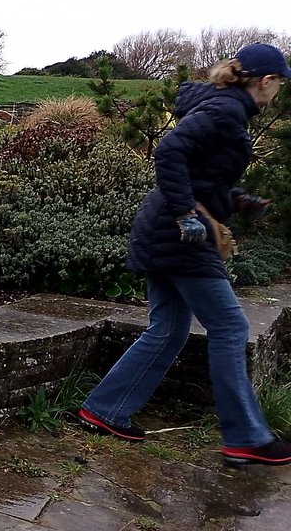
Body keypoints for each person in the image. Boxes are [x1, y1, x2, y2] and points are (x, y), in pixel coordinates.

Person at [79, 42, 291, 466]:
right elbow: (170, 151)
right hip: (179, 235)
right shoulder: (225, 111)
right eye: (278, 85)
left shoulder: (222, 107)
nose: (278, 94)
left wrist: (237, 199)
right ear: (265, 81)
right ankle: (246, 437)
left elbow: (199, 172)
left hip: (164, 230)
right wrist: (183, 214)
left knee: (168, 328)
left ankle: (104, 409)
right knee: (230, 327)